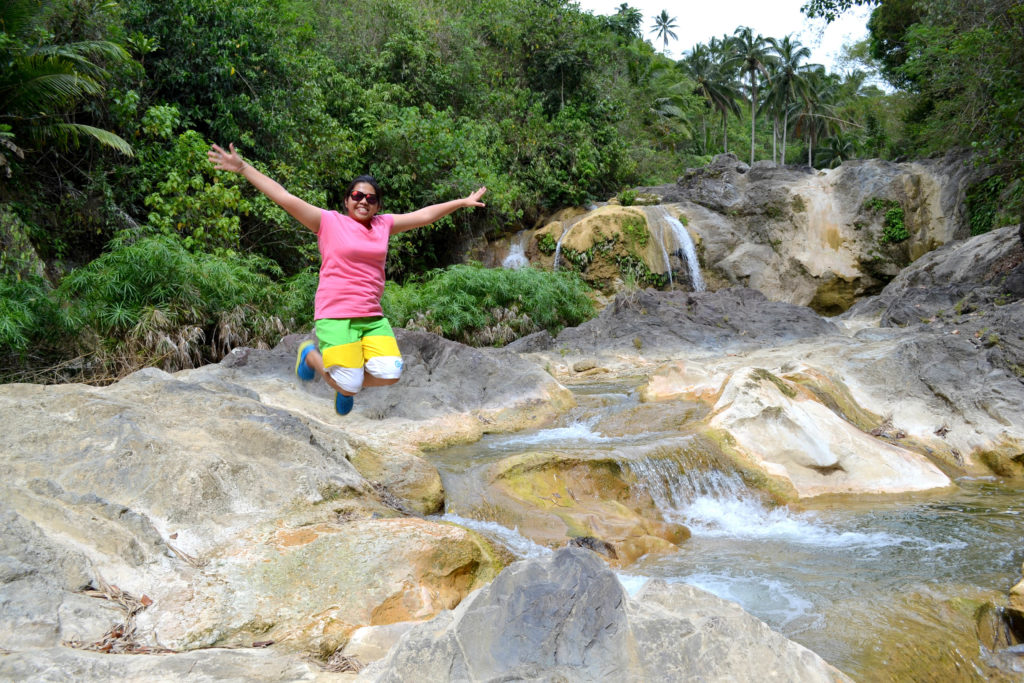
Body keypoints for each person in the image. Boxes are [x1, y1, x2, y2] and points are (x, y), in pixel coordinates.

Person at [207, 143, 487, 415]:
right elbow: (284, 197)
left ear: (377, 206)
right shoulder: (328, 222)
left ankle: (345, 382)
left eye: (371, 198)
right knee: (350, 385)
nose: (364, 201)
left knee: (390, 373)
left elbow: (424, 216)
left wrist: (461, 202)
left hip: (371, 316)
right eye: (357, 195)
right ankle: (311, 356)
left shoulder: (383, 225)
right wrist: (243, 167)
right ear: (347, 200)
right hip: (336, 313)